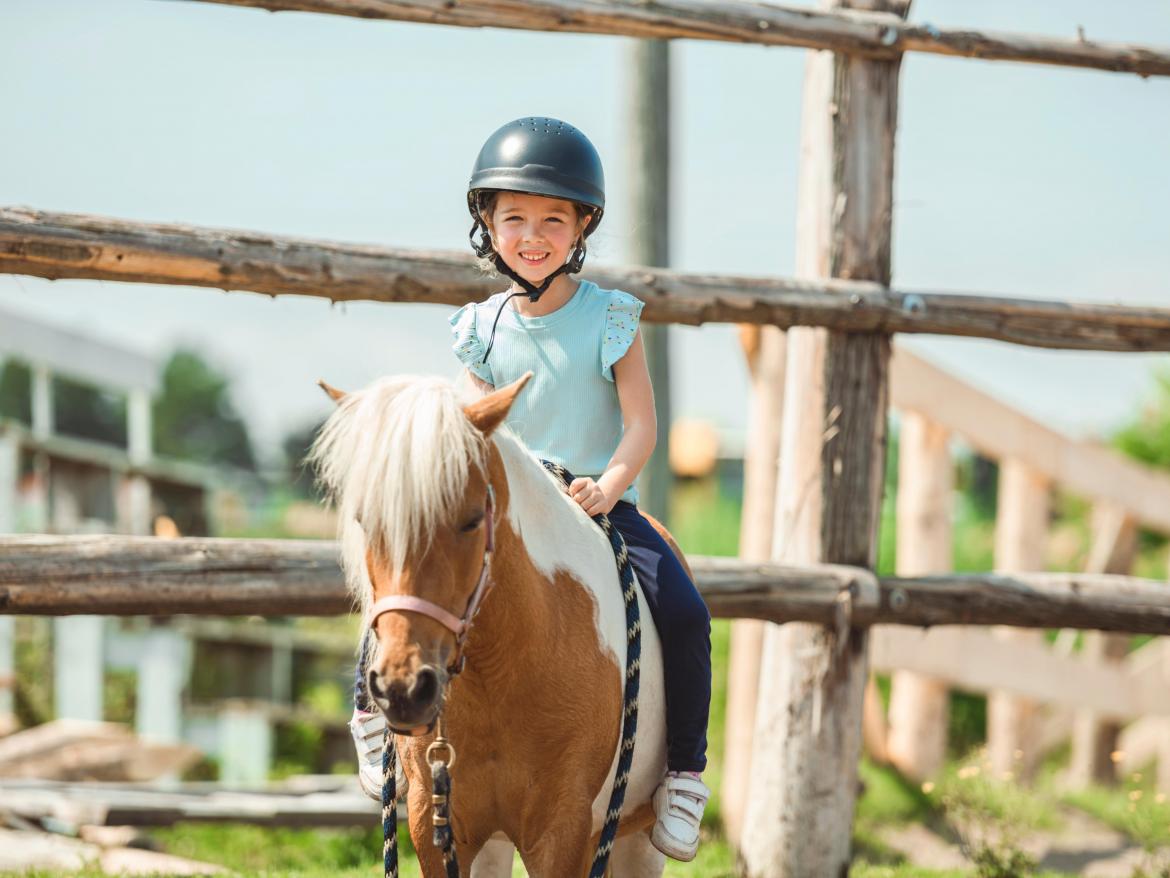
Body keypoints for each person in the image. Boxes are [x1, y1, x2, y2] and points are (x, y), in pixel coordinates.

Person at [349, 116, 712, 862]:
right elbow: (467, 428)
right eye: (515, 218)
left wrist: (610, 485)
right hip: (508, 505)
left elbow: (642, 425)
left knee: (684, 609)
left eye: (554, 219)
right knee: (401, 592)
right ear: (488, 225)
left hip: (591, 505)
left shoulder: (610, 317)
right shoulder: (479, 328)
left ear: (582, 228)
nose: (533, 236)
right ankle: (373, 716)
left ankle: (683, 772)